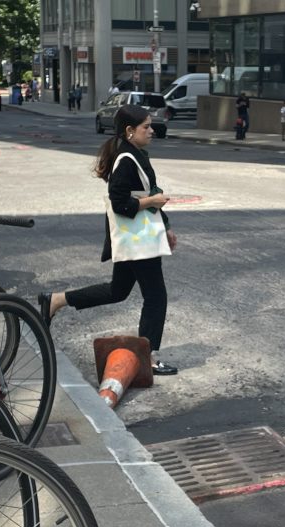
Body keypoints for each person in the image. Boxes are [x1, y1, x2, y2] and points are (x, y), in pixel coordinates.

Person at [38, 104, 179, 376]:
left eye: (151, 125)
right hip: (139, 240)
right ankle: (147, 357)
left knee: (118, 291)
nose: (152, 130)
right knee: (156, 296)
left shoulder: (133, 154)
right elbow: (119, 204)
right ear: (129, 131)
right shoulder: (126, 159)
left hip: (137, 238)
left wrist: (166, 225)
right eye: (146, 126)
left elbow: (146, 192)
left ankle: (56, 300)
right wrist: (152, 201)